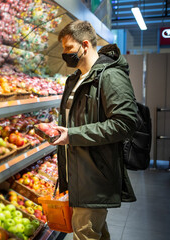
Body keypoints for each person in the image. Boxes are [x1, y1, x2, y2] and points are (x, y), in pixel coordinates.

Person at [52, 20, 138, 240]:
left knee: (84, 232)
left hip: (95, 173)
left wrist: (72, 135)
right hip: (79, 171)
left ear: (86, 44)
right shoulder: (74, 80)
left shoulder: (110, 76)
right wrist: (57, 128)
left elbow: (126, 123)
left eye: (69, 48)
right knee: (95, 233)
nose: (65, 53)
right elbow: (78, 120)